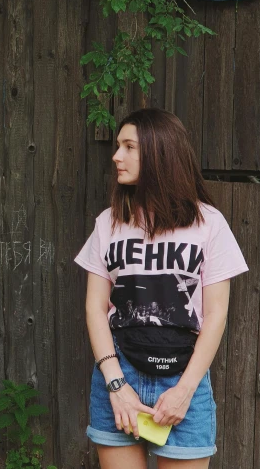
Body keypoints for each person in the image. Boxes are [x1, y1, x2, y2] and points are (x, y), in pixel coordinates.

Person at [75, 108, 248, 469]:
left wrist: (183, 392)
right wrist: (116, 387)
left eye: (129, 147)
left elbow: (216, 315)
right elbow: (95, 308)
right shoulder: (109, 222)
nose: (116, 156)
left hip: (184, 377)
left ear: (159, 152)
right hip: (120, 375)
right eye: (117, 146)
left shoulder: (209, 224)